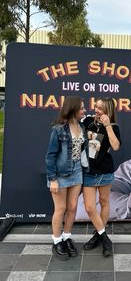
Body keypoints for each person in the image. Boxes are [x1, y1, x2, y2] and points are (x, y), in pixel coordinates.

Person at [45, 96, 87, 260]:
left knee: (73, 207)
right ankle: (57, 241)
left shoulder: (82, 126)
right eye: (82, 108)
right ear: (73, 109)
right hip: (60, 174)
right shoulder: (59, 129)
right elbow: (50, 155)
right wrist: (53, 179)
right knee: (60, 209)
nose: (84, 110)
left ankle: (66, 236)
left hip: (77, 171)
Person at [82, 97, 121, 256]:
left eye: (101, 108)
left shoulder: (113, 127)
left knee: (104, 202)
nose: (97, 110)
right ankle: (104, 237)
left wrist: (107, 126)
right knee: (90, 207)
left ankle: (97, 236)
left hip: (105, 171)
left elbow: (116, 146)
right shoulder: (88, 121)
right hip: (89, 171)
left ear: (108, 111)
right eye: (96, 107)